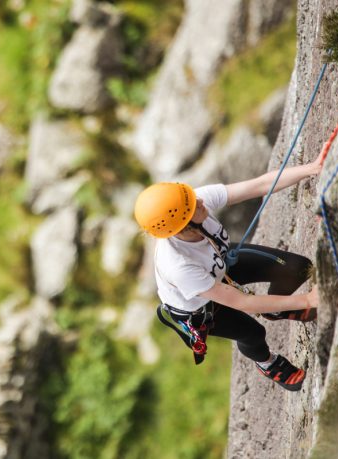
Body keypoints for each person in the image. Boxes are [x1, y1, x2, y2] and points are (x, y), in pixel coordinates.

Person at [133, 154, 322, 391]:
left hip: (218, 262)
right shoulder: (179, 265)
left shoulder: (191, 203)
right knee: (252, 332)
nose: (200, 201)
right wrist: (307, 300)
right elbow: (244, 302)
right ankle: (268, 364)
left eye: (193, 199)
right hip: (199, 306)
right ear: (182, 226)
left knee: (296, 268)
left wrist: (311, 168)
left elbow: (259, 185)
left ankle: (281, 308)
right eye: (193, 206)